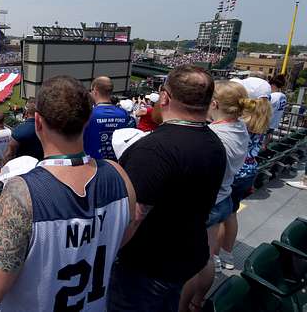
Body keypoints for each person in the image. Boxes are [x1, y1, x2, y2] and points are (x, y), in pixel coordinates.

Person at [0, 75, 136, 312]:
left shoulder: (21, 192)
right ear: (88, 119)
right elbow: (122, 235)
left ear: (38, 122)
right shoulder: (119, 175)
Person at [107, 65, 227, 312]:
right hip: (185, 256)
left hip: (148, 267)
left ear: (165, 97)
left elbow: (134, 215)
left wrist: (108, 254)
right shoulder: (214, 142)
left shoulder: (153, 150)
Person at [179, 81, 250, 311]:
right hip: (223, 198)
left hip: (205, 204)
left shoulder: (214, 136)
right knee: (206, 259)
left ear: (215, 103)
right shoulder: (240, 128)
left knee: (190, 262)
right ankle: (197, 302)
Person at [219, 77, 272, 271]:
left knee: (220, 217)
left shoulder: (241, 120)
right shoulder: (262, 114)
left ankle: (214, 256)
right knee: (231, 214)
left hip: (234, 173)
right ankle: (227, 253)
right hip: (249, 171)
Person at [83, 77, 133, 161]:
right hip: (117, 164)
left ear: (95, 91)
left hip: (92, 164)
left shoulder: (88, 114)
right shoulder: (125, 114)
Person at [4, 98, 44, 163]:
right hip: (41, 167)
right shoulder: (48, 130)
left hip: (22, 169)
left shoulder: (19, 130)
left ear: (26, 112)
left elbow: (9, 155)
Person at [267, 75, 287, 143]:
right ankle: (264, 147)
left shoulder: (272, 96)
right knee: (269, 135)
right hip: (275, 121)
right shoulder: (283, 96)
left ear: (272, 84)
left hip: (267, 122)